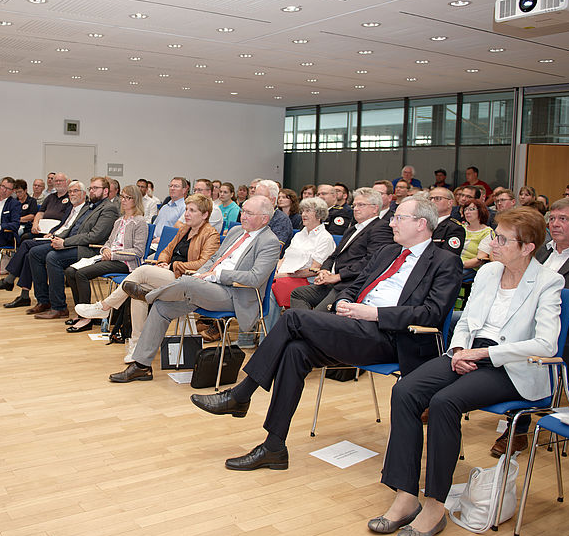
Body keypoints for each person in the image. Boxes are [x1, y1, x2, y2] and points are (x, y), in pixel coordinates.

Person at [191, 196, 462, 471]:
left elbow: (431, 313)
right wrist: (344, 302)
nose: (391, 223)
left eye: (399, 218)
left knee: (293, 318)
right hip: (355, 327)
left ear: (421, 224)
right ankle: (274, 447)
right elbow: (355, 286)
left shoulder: (445, 262)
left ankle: (242, 394)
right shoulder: (387, 252)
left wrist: (375, 314)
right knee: (295, 351)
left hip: (393, 337)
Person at [369, 207, 563, 536]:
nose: (493, 243)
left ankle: (435, 505)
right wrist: (459, 350)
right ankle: (405, 495)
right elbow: (467, 320)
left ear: (528, 247)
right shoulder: (488, 272)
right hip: (468, 352)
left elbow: (546, 344)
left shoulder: (548, 281)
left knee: (444, 402)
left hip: (511, 365)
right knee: (406, 391)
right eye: (495, 236)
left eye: (502, 239)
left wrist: (484, 354)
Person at [490, 197, 569, 457]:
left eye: (563, 219)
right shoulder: (539, 252)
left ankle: (518, 429)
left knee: (523, 349)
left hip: (566, 336)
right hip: (518, 326)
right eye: (552, 219)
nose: (555, 224)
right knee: (476, 333)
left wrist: (547, 305)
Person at [108, 195, 279, 383]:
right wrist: (201, 274)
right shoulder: (236, 231)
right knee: (162, 307)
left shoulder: (269, 242)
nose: (243, 216)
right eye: (243, 211)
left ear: (264, 218)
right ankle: (141, 366)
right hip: (207, 287)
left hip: (235, 294)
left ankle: (149, 295)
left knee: (187, 283)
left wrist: (217, 275)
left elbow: (255, 278)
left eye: (249, 213)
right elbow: (214, 259)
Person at [76, 193, 220, 358]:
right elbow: (166, 250)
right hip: (170, 274)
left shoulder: (211, 234)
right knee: (138, 291)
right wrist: (163, 262)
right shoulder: (184, 229)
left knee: (142, 271)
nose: (186, 213)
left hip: (187, 280)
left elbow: (203, 265)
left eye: (192, 210)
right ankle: (137, 345)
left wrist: (172, 266)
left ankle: (105, 307)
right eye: (186, 209)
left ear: (205, 215)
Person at [28, 177, 119, 319]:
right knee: (35, 253)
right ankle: (44, 300)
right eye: (91, 188)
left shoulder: (109, 209)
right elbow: (73, 228)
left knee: (53, 258)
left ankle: (59, 308)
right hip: (75, 243)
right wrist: (57, 238)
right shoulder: (90, 206)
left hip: (90, 249)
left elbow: (95, 236)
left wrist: (65, 243)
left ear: (106, 191)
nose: (92, 191)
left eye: (95, 188)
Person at [290, 187, 394, 311]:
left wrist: (339, 276)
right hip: (333, 281)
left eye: (361, 205)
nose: (356, 209)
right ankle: (305, 322)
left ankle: (308, 322)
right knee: (298, 294)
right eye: (354, 205)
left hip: (349, 284)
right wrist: (324, 270)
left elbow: (371, 261)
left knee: (317, 314)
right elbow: (334, 255)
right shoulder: (352, 229)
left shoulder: (381, 228)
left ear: (375, 208)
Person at [64, 185, 147, 332]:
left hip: (126, 263)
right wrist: (105, 250)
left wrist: (113, 254)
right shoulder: (119, 221)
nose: (123, 200)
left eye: (128, 198)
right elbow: (109, 242)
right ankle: (81, 312)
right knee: (70, 271)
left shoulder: (139, 222)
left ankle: (86, 319)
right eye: (122, 197)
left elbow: (138, 251)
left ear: (136, 200)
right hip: (109, 258)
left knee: (81, 274)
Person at [0, 180, 85, 306]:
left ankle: (12, 282)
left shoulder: (81, 209)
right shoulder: (59, 203)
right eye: (70, 191)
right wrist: (50, 231)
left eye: (75, 191)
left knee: (28, 247)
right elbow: (59, 223)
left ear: (83, 194)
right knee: (28, 250)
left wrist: (55, 235)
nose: (72, 193)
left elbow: (72, 230)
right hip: (50, 233)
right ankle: (25, 294)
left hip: (63, 241)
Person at [271, 197, 335, 308]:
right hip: (286, 275)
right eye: (303, 211)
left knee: (271, 291)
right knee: (263, 284)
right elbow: (284, 259)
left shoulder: (325, 238)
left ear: (319, 215)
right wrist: (275, 270)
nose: (303, 214)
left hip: (307, 280)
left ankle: (274, 321)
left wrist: (283, 275)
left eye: (308, 211)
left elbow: (315, 269)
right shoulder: (299, 235)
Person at [27, 172, 70, 238]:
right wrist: (35, 224)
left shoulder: (70, 198)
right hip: (42, 229)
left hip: (57, 231)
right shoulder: (50, 197)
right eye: (56, 181)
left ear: (67, 182)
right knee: (25, 237)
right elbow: (40, 213)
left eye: (60, 181)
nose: (58, 183)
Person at [423, 189, 465, 257]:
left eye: (437, 198)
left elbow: (448, 257)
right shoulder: (422, 223)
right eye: (430, 199)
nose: (432, 201)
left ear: (450, 203)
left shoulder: (454, 228)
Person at [460, 198, 494, 272]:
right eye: (465, 209)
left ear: (481, 211)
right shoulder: (460, 228)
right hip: (452, 264)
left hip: (469, 268)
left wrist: (458, 264)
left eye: (471, 209)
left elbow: (480, 259)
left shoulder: (487, 232)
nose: (467, 212)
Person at [152, 177, 189, 242]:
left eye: (176, 186)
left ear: (184, 190)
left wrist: (162, 239)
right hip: (153, 240)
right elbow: (154, 226)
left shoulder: (185, 209)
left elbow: (181, 233)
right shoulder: (165, 207)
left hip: (166, 242)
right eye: (171, 186)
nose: (172, 188)